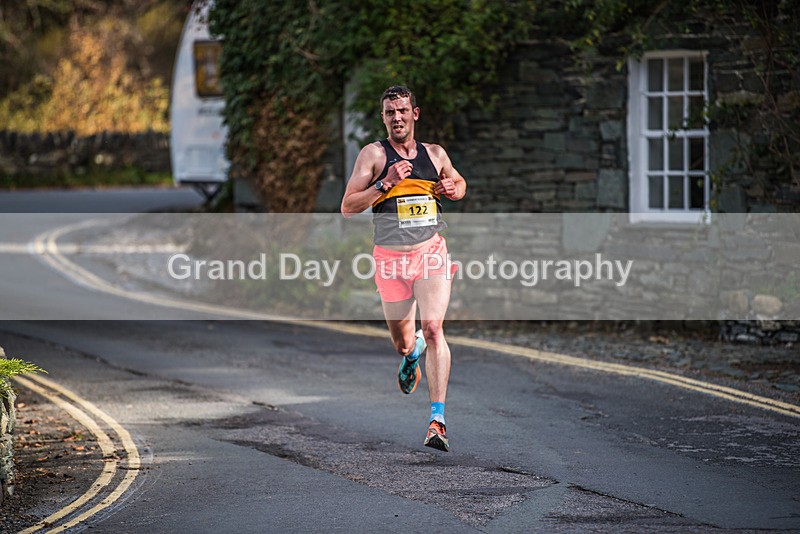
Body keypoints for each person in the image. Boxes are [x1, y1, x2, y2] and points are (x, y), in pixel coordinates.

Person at [341, 85, 467, 452]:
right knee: (403, 342)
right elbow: (348, 206)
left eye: (402, 110)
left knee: (433, 328)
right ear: (384, 118)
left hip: (431, 253)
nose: (396, 117)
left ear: (416, 113)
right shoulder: (374, 155)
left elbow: (459, 183)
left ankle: (437, 420)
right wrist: (385, 184)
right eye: (389, 112)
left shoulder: (435, 153)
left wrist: (452, 188)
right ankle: (410, 355)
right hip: (390, 260)